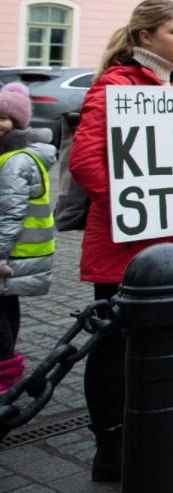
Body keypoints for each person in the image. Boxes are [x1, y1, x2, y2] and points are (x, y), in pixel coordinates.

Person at [68, 0, 173, 481]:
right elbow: (86, 164)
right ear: (145, 37)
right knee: (113, 345)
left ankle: (156, 429)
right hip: (124, 244)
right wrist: (140, 208)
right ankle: (110, 443)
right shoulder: (114, 88)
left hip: (171, 244)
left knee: (165, 340)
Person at [0, 84, 57, 394]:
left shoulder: (15, 161)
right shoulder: (9, 155)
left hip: (14, 251)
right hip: (19, 250)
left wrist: (0, 254)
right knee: (7, 303)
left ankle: (5, 373)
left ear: (19, 123)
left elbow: (10, 214)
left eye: (5, 118)